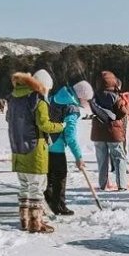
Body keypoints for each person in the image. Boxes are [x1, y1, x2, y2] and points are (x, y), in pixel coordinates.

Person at [7, 70, 65, 233]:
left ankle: (24, 220)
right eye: (47, 89)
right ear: (42, 86)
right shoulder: (37, 100)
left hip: (18, 149)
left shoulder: (14, 98)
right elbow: (44, 125)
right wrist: (61, 126)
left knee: (24, 186)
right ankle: (36, 223)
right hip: (34, 150)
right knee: (37, 187)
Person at [44, 84, 86, 216]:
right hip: (57, 146)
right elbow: (70, 136)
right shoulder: (71, 108)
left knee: (48, 177)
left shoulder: (53, 98)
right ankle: (58, 206)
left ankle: (48, 203)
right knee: (60, 176)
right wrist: (78, 156)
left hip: (44, 144)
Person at [89, 70, 129, 191]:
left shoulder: (94, 96)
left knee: (102, 159)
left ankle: (103, 184)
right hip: (113, 132)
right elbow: (122, 113)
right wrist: (125, 107)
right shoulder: (115, 96)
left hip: (98, 132)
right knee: (119, 157)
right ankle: (121, 184)